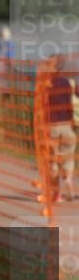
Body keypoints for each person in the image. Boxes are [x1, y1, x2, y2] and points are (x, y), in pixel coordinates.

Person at [48, 72, 78, 202]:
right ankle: (69, 183)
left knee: (53, 159)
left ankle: (57, 194)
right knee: (68, 158)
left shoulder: (46, 84)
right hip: (68, 126)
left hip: (52, 126)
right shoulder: (68, 83)